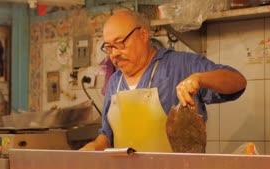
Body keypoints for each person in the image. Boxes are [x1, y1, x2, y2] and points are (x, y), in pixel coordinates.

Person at [80, 10, 247, 152]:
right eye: (109, 47)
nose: (114, 53)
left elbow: (238, 81)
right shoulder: (114, 82)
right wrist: (94, 147)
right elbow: (107, 136)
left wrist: (200, 78)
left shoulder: (180, 65)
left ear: (143, 35)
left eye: (120, 43)